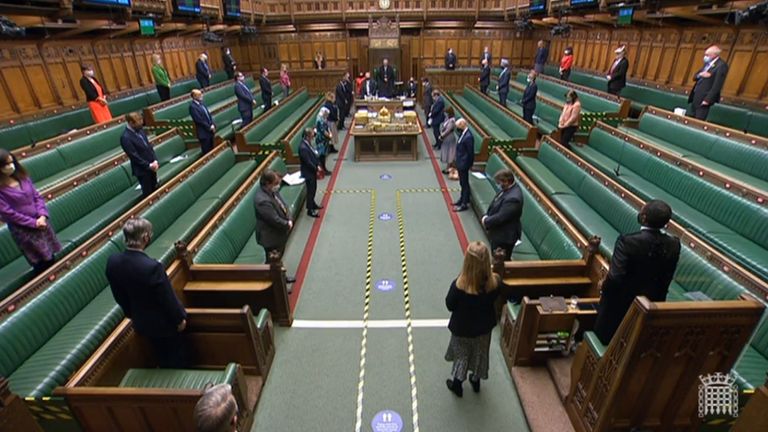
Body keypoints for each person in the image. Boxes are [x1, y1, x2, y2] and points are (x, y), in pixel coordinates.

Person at [593, 200, 681, 345]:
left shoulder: (627, 242)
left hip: (619, 308)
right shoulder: (674, 244)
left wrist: (603, 286)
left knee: (606, 342)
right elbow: (666, 278)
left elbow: (615, 277)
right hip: (651, 306)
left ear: (644, 218)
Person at [105, 218, 187, 368]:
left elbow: (119, 295)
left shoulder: (113, 262)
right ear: (145, 237)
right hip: (166, 326)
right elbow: (167, 299)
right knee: (176, 359)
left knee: (159, 355)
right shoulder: (152, 267)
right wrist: (179, 319)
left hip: (141, 323)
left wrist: (132, 314)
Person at [445, 241, 500, 397]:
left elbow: (449, 305)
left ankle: (457, 385)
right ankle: (475, 381)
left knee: (461, 356)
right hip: (483, 329)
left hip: (462, 329)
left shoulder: (459, 286)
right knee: (480, 355)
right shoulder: (495, 283)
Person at [0, 149, 61, 275]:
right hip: (24, 230)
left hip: (41, 222)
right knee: (40, 261)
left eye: (12, 162)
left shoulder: (23, 177)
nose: (10, 166)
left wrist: (42, 215)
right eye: (6, 164)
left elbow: (37, 197)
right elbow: (8, 213)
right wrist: (34, 223)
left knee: (52, 254)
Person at [253, 169, 296, 286]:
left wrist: (289, 217)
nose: (278, 186)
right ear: (267, 183)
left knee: (277, 261)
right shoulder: (261, 200)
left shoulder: (271, 191)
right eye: (275, 183)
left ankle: (282, 278)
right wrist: (287, 224)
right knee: (272, 263)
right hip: (270, 237)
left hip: (278, 233)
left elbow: (283, 205)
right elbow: (274, 219)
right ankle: (277, 287)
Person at [482, 169, 523, 260]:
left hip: (505, 237)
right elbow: (496, 202)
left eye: (499, 182)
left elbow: (501, 217)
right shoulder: (508, 189)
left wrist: (486, 220)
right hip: (498, 232)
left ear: (507, 181)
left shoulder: (513, 199)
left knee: (501, 261)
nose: (498, 185)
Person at [120, 112, 159, 198]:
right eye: (138, 123)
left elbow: (148, 146)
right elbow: (134, 156)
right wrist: (149, 165)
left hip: (152, 166)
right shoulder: (125, 137)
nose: (141, 125)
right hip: (143, 171)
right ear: (131, 123)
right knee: (149, 196)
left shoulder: (140, 130)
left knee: (156, 190)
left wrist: (155, 160)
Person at [687, 45, 729, 121]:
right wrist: (700, 75)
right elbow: (695, 77)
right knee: (690, 117)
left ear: (714, 55)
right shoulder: (707, 64)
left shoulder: (721, 66)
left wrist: (707, 99)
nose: (705, 57)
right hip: (696, 94)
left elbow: (717, 85)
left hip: (704, 98)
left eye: (707, 55)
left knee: (698, 120)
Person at [298, 128, 322, 218]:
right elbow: (308, 162)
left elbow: (313, 154)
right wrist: (316, 168)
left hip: (312, 171)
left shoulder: (307, 143)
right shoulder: (303, 147)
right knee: (310, 191)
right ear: (307, 135)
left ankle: (313, 204)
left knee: (314, 188)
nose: (313, 135)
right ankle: (310, 210)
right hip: (308, 172)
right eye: (312, 134)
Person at [453, 118, 474, 212]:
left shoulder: (468, 136)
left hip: (464, 164)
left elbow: (470, 153)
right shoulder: (463, 133)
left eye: (458, 126)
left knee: (464, 183)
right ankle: (462, 199)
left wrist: (469, 164)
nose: (457, 128)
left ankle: (464, 203)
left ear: (462, 125)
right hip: (460, 162)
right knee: (462, 183)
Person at [189, 89, 215, 155]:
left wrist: (212, 124)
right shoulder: (192, 107)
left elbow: (208, 115)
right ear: (194, 97)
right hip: (203, 132)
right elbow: (199, 120)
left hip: (209, 131)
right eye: (199, 95)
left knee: (213, 150)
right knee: (207, 152)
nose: (202, 96)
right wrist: (209, 127)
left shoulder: (202, 104)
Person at [439, 106, 457, 174]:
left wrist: (441, 135)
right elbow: (443, 126)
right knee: (446, 152)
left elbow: (448, 130)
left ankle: (448, 168)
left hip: (449, 138)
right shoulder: (447, 118)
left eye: (446, 113)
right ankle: (449, 167)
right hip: (445, 138)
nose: (445, 114)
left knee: (450, 153)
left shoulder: (452, 120)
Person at [315, 107, 333, 175]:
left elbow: (327, 127)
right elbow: (323, 130)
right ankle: (322, 169)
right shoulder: (319, 119)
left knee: (324, 154)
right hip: (321, 139)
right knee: (321, 154)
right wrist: (329, 135)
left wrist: (329, 132)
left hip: (324, 138)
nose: (327, 116)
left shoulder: (323, 117)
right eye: (327, 114)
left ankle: (323, 168)